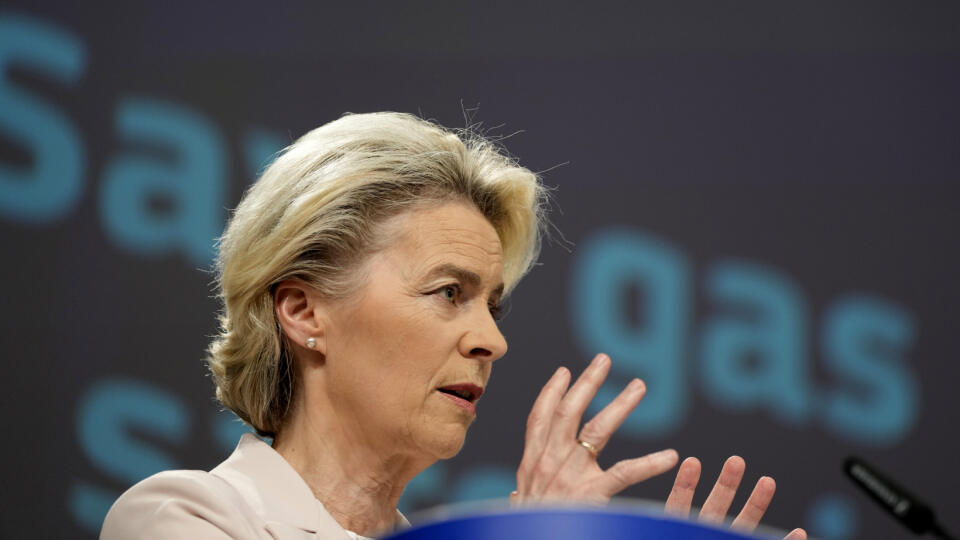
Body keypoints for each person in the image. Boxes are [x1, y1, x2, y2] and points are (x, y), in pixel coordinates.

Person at [101, 112, 806, 539]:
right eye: (448, 293)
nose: (492, 341)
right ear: (304, 311)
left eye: (491, 306)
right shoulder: (182, 517)